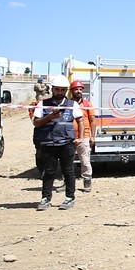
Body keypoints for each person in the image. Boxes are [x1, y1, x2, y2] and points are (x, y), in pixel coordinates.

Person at [32, 74, 82, 211]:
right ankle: (45, 199)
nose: (59, 92)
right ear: (52, 89)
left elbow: (80, 121)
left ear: (66, 90)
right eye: (57, 89)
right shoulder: (43, 104)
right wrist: (49, 117)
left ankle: (69, 198)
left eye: (62, 90)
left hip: (67, 144)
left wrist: (80, 138)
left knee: (68, 171)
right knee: (49, 172)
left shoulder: (73, 104)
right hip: (49, 143)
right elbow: (36, 123)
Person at [69, 80, 95, 194]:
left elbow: (93, 121)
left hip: (83, 137)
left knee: (84, 160)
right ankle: (67, 182)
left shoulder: (87, 105)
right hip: (69, 137)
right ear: (71, 91)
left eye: (80, 89)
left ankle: (87, 181)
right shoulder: (68, 104)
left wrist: (92, 136)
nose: (79, 91)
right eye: (76, 89)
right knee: (67, 161)